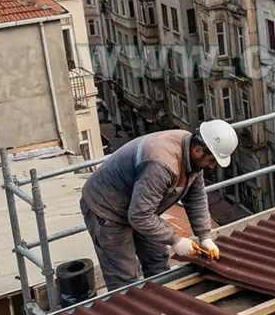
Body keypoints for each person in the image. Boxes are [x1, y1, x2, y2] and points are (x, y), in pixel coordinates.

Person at [80, 120, 238, 291]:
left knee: (157, 260)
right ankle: (131, 314)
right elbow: (139, 215)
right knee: (124, 276)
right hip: (107, 208)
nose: (212, 165)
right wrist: (175, 240)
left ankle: (160, 303)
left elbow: (196, 197)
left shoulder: (191, 154)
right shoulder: (161, 164)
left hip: (141, 207)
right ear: (198, 151)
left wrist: (204, 236)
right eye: (212, 160)